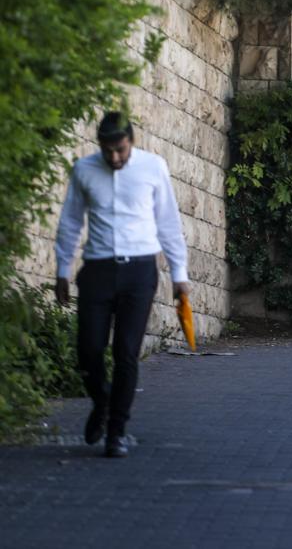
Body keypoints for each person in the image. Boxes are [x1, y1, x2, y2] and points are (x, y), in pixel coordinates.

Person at [54, 112, 189, 458]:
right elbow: (70, 221)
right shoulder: (84, 170)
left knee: (126, 353)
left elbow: (169, 223)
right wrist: (62, 271)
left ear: (132, 141)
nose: (115, 157)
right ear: (99, 145)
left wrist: (179, 276)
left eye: (121, 149)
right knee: (88, 351)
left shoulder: (152, 167)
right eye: (108, 150)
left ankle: (116, 431)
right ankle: (101, 402)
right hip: (97, 270)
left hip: (139, 273)